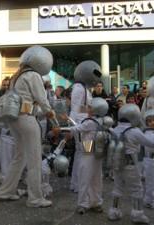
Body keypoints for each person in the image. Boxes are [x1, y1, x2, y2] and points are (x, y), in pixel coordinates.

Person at [0, 45, 57, 208]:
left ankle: (5, 191)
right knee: (34, 159)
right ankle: (35, 198)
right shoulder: (33, 75)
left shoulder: (17, 76)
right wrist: (50, 112)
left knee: (20, 156)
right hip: (27, 118)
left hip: (15, 118)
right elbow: (41, 99)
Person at [107, 104, 154, 224]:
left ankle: (114, 211)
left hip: (117, 164)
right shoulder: (134, 131)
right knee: (137, 189)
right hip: (131, 165)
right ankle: (137, 214)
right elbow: (151, 143)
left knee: (117, 187)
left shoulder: (115, 129)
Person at [67, 97, 109, 214]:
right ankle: (96, 202)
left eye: (90, 107)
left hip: (87, 152)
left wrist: (60, 129)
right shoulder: (102, 121)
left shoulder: (89, 122)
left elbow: (76, 129)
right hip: (97, 154)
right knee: (97, 180)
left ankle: (83, 204)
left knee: (84, 179)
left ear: (96, 109)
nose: (88, 109)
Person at [69, 60, 102, 193]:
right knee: (84, 154)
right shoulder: (79, 88)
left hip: (84, 125)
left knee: (81, 154)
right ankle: (79, 184)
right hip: (82, 128)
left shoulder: (84, 88)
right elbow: (75, 109)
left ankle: (77, 183)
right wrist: (74, 126)